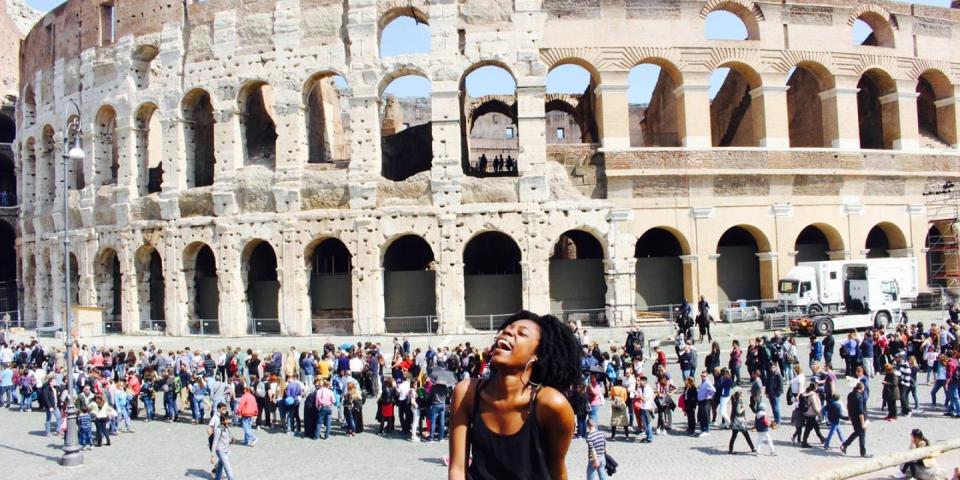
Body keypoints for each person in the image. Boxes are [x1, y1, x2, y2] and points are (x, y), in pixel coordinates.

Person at [448, 311, 581, 480]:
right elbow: (457, 469)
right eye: (507, 329)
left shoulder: (551, 404)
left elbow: (557, 471)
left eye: (522, 333)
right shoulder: (467, 393)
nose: (508, 332)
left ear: (536, 355)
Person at [841, 381, 869, 457]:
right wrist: (863, 423)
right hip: (859, 418)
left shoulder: (850, 394)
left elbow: (848, 406)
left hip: (853, 417)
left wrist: (849, 415)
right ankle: (863, 453)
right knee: (862, 435)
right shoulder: (859, 397)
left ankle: (845, 445)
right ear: (861, 388)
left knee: (857, 432)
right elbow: (860, 412)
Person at [211, 413, 237, 480]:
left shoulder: (226, 427)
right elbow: (215, 442)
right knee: (228, 468)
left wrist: (231, 440)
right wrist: (212, 455)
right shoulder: (218, 429)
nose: (228, 421)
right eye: (227, 420)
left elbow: (226, 438)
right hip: (220, 451)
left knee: (220, 466)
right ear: (222, 421)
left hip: (226, 450)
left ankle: (217, 478)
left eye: (228, 419)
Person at [800, 383, 825, 447]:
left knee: (815, 427)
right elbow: (815, 407)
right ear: (815, 388)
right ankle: (804, 442)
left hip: (806, 413)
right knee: (809, 428)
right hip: (811, 414)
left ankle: (821, 438)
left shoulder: (806, 393)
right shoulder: (812, 396)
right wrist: (820, 415)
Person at [696, 370, 715, 436]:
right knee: (701, 415)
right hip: (701, 401)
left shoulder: (707, 382)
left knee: (706, 415)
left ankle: (706, 430)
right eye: (701, 376)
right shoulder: (703, 382)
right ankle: (702, 429)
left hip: (705, 401)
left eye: (704, 376)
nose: (702, 377)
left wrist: (708, 396)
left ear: (706, 376)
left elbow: (713, 390)